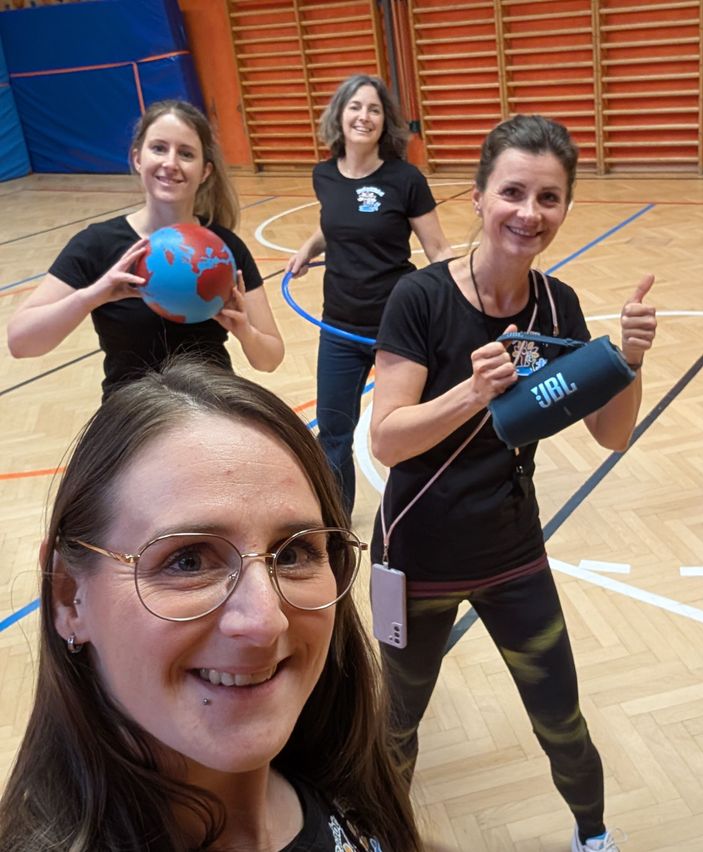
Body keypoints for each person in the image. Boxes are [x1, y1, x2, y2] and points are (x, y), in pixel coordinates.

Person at [369, 115, 657, 852]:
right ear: (478, 197)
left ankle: (593, 836)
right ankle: (379, 836)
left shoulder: (558, 307)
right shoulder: (419, 299)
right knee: (396, 723)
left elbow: (612, 434)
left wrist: (627, 361)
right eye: (513, 192)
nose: (530, 213)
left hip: (512, 553)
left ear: (565, 207)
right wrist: (471, 393)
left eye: (549, 198)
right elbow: (386, 438)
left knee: (562, 718)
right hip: (416, 556)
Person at [0, 359, 422, 852]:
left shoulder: (345, 778)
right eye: (188, 561)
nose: (264, 620)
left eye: (293, 554)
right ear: (68, 596)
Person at [7, 100, 284, 399]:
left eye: (186, 153)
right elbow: (21, 343)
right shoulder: (96, 244)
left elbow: (270, 359)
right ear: (138, 158)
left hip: (208, 408)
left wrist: (245, 331)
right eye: (159, 148)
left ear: (205, 171)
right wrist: (93, 295)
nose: (171, 163)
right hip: (133, 412)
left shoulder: (223, 249)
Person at [285, 74, 452, 517]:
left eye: (374, 109)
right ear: (340, 115)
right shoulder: (324, 175)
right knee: (334, 433)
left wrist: (461, 298)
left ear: (385, 121)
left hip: (397, 328)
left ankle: (422, 512)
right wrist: (309, 247)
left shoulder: (405, 179)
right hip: (339, 326)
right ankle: (337, 523)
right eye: (355, 107)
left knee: (407, 432)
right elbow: (335, 220)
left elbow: (438, 249)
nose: (364, 116)